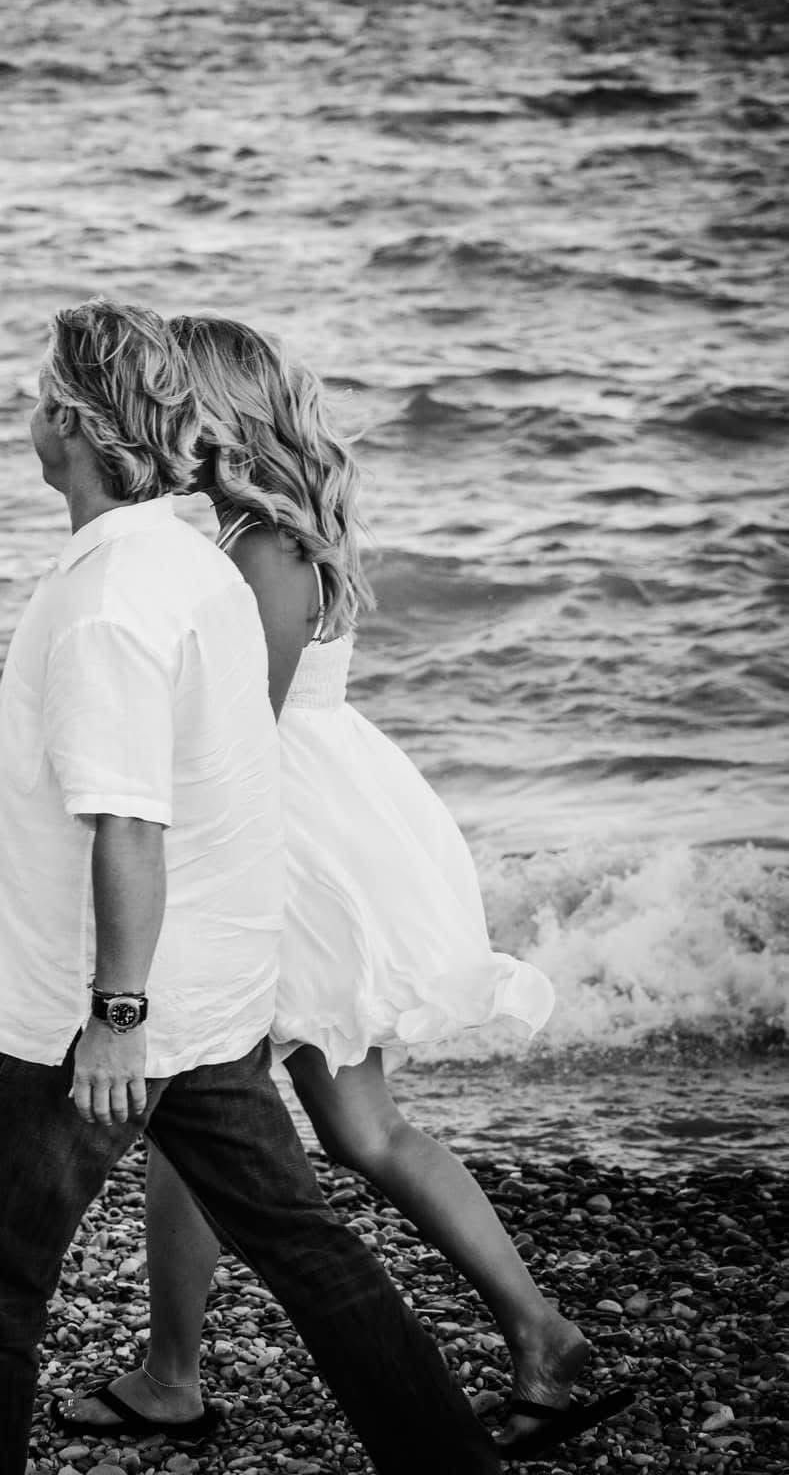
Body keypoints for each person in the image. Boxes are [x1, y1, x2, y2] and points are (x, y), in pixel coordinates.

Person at [0, 297, 504, 1475]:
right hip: (218, 1002)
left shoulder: (112, 599)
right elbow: (234, 781)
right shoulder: (197, 565)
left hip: (85, 1021)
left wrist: (114, 1017)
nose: (27, 419)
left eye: (41, 402)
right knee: (309, 1249)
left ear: (78, 428)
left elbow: (133, 814)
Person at [59, 313, 633, 1463]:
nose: (162, 411)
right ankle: (533, 1337)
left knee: (315, 1116)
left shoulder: (263, 546)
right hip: (308, 825)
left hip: (287, 850)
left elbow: (236, 736)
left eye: (179, 395)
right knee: (311, 1120)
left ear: (214, 413)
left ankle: (190, 1376)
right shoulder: (247, 530)